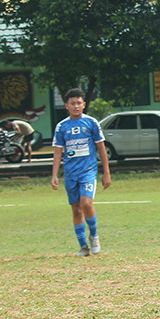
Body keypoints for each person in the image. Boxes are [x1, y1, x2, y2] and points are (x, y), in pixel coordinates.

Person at [51, 88, 111, 256]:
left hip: (88, 171)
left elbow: (101, 147)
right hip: (70, 173)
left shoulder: (91, 123)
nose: (76, 106)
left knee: (86, 204)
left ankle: (94, 235)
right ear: (66, 106)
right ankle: (83, 247)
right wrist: (55, 175)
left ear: (84, 104)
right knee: (76, 209)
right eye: (72, 104)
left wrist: (106, 173)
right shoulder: (62, 126)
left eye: (79, 103)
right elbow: (58, 152)